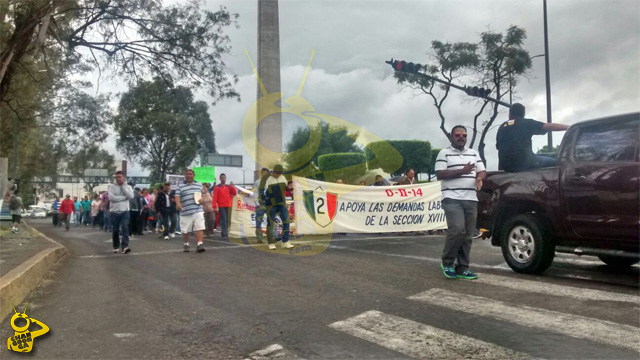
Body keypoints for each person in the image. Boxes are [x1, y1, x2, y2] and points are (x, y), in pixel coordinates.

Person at [435, 125, 486, 280]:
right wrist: (462, 171)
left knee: (468, 235)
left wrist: (479, 178)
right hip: (452, 198)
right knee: (457, 230)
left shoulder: (473, 153)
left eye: (464, 134)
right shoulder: (444, 153)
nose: (461, 137)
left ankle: (462, 268)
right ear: (451, 136)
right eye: (457, 134)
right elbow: (440, 174)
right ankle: (448, 263)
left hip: (471, 198)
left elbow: (482, 170)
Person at [496, 103, 570, 172]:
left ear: (510, 114)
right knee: (556, 162)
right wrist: (569, 127)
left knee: (540, 156)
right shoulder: (526, 123)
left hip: (506, 167)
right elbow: (547, 126)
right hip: (524, 164)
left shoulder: (502, 127)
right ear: (523, 114)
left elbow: (498, 147)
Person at [259, 164, 293, 250]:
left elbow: (286, 189)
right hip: (271, 205)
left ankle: (285, 241)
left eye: (278, 173)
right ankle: (271, 243)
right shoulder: (267, 179)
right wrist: (264, 201)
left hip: (282, 204)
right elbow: (262, 191)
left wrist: (290, 188)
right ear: (273, 171)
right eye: (275, 173)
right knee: (270, 224)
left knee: (287, 221)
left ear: (281, 173)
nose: (276, 175)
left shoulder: (283, 178)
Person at [175, 169, 206, 253]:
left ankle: (200, 244)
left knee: (199, 227)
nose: (189, 176)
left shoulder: (199, 184)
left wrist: (202, 200)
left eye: (190, 174)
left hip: (197, 210)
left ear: (194, 175)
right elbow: (177, 196)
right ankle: (186, 244)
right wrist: (178, 204)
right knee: (185, 230)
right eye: (187, 174)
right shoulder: (180, 186)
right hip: (185, 211)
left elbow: (203, 195)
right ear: (185, 176)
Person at [108, 171, 135, 254]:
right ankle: (116, 246)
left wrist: (123, 187)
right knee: (115, 230)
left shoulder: (128, 187)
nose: (118, 179)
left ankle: (125, 247)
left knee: (125, 228)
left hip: (125, 211)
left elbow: (131, 196)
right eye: (116, 177)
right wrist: (124, 198)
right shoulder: (111, 187)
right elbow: (111, 198)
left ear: (123, 177)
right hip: (114, 211)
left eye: (119, 177)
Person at [212, 173, 237, 241]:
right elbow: (215, 197)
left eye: (224, 178)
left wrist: (232, 186)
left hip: (229, 206)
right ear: (220, 179)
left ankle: (224, 233)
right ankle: (225, 234)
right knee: (224, 220)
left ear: (226, 179)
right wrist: (214, 206)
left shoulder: (228, 186)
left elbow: (234, 193)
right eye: (222, 178)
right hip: (221, 206)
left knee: (228, 220)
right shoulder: (217, 187)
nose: (223, 179)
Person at [253, 168, 270, 243]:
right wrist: (257, 203)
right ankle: (259, 237)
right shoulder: (257, 182)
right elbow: (255, 193)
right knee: (259, 221)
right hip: (261, 204)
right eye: (263, 173)